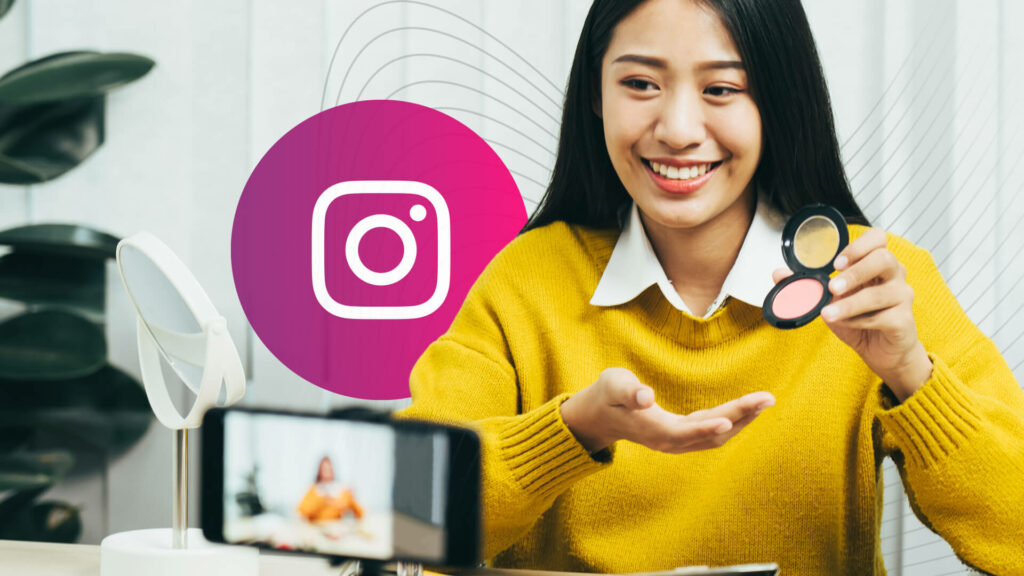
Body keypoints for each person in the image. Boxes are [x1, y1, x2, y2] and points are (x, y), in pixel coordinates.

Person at [399, 0, 1024, 574]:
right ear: (596, 93)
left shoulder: (873, 281)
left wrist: (912, 375)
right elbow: (404, 520)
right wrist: (574, 429)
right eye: (640, 83)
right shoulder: (526, 278)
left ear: (777, 100)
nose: (676, 129)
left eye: (721, 89)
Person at [296, 456, 365, 523]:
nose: (327, 471)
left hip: (336, 528)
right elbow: (302, 511)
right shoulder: (314, 490)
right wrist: (322, 499)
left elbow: (360, 514)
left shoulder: (341, 490)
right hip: (317, 527)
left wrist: (352, 497)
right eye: (324, 469)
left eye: (329, 469)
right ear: (319, 471)